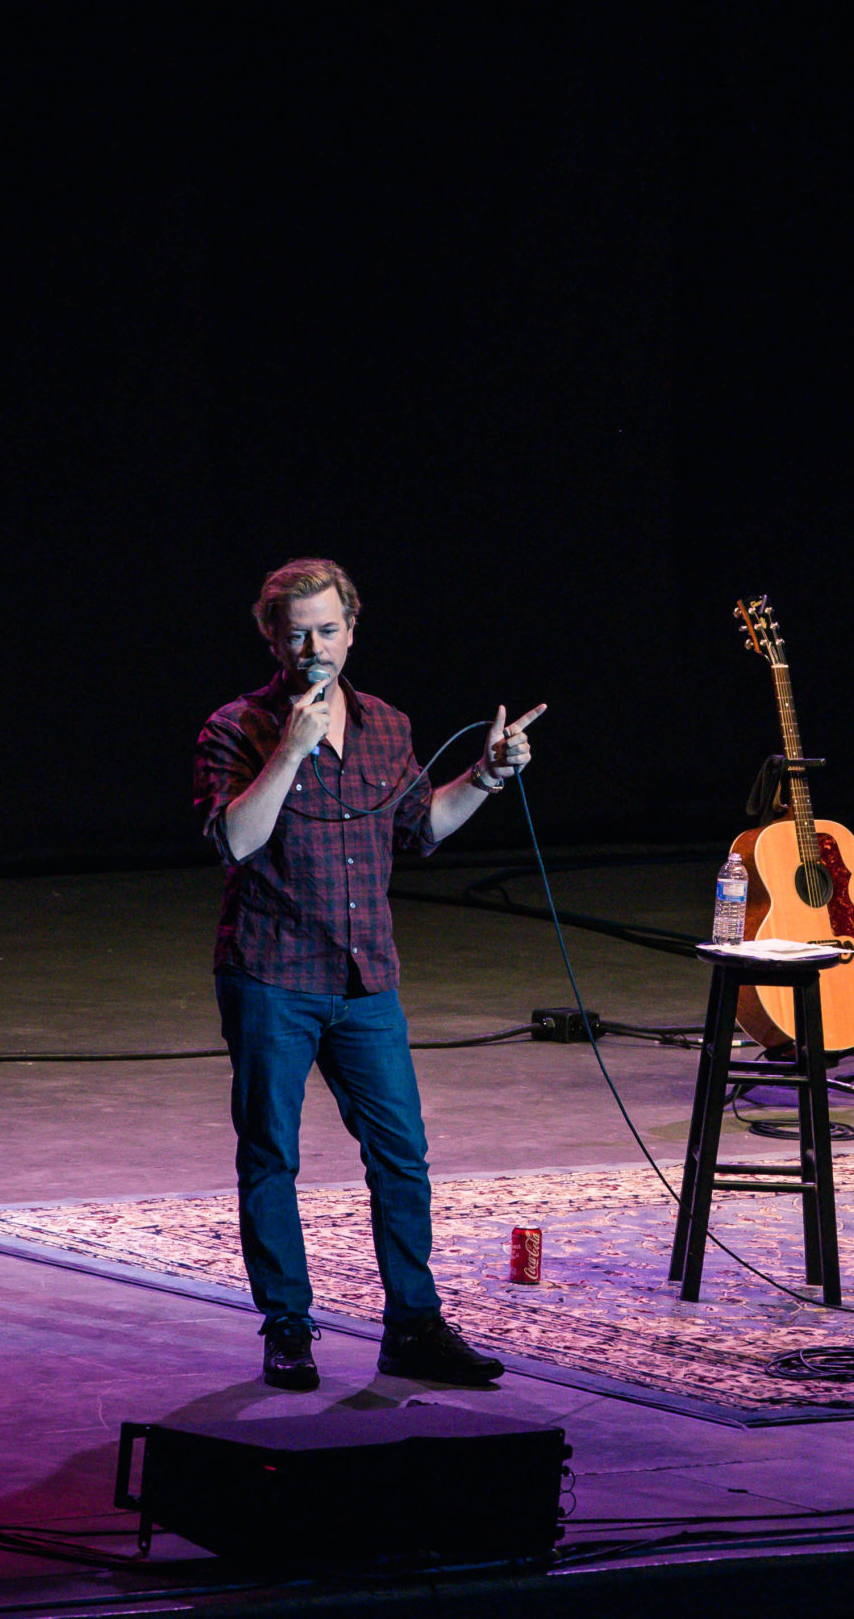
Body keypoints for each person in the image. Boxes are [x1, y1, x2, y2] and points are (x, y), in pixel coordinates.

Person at [193, 558, 545, 1390]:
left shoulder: (388, 725)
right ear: (271, 637)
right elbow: (235, 840)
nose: (313, 647)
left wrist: (487, 776)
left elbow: (422, 827)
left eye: (327, 629)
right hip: (273, 972)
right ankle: (288, 1326)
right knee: (270, 1154)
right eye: (296, 633)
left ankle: (414, 1326)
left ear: (352, 630)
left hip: (365, 977)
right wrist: (291, 750)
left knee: (401, 1154)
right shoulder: (235, 727)